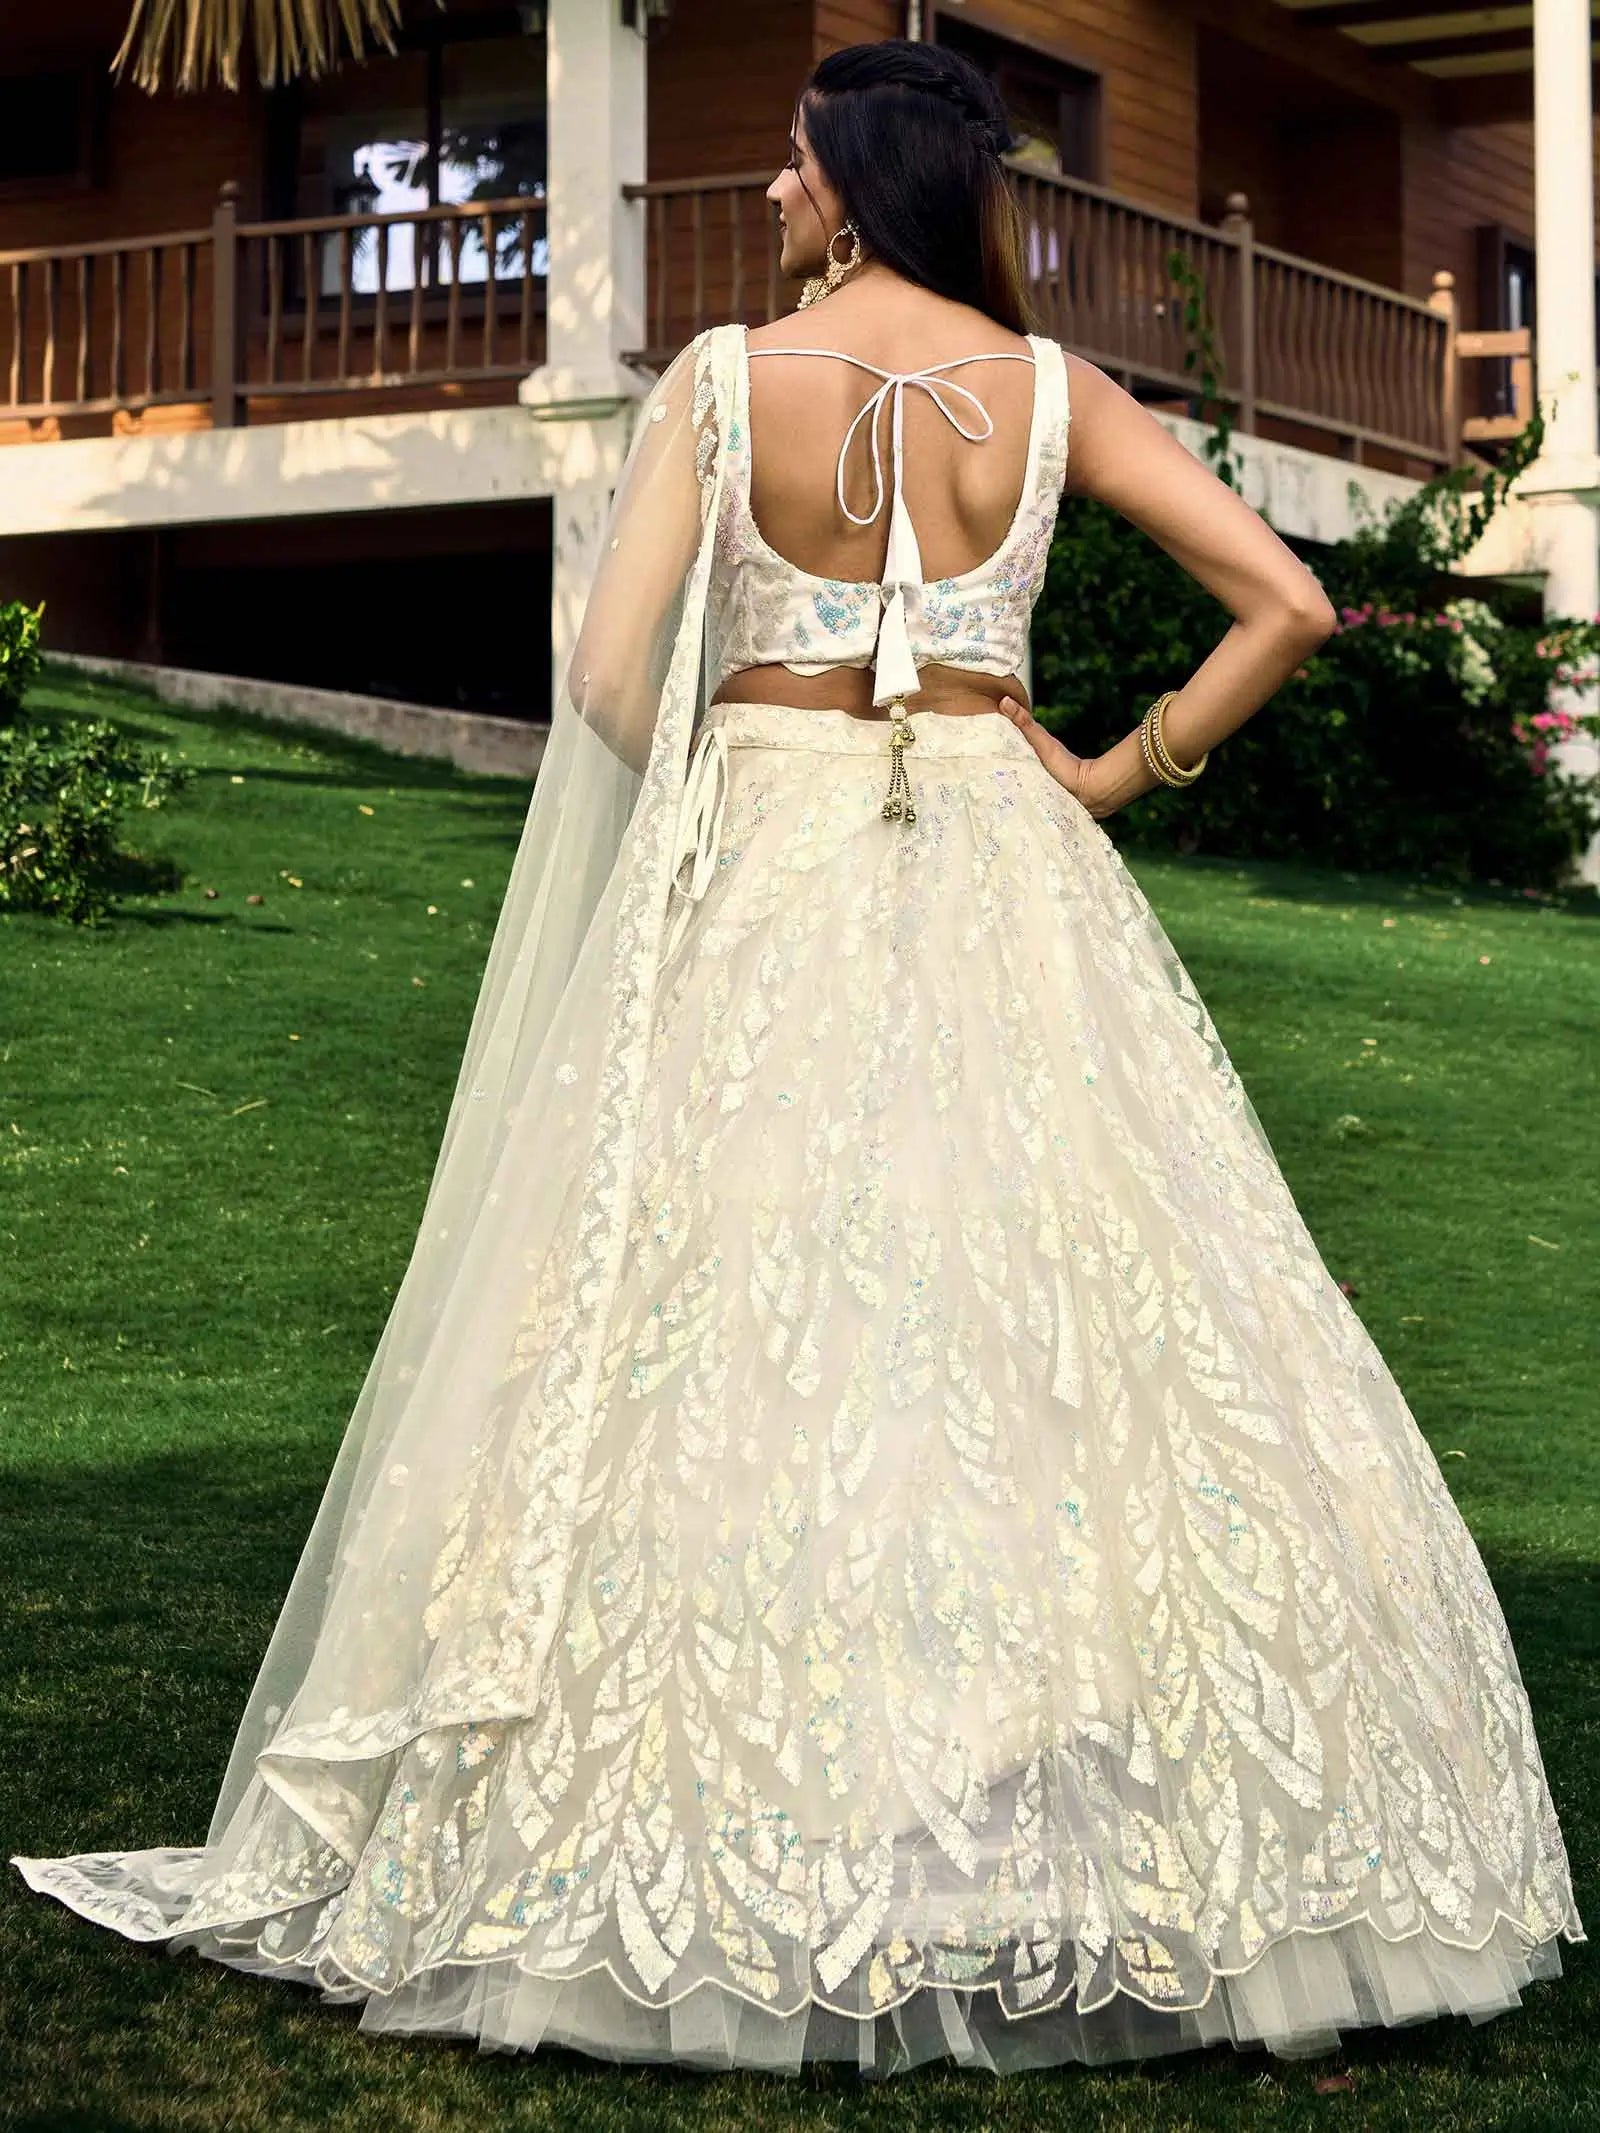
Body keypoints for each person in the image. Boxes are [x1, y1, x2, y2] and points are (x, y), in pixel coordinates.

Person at [12, 39, 1582, 2082]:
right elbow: (1286, 599)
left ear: (847, 180)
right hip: (1006, 854)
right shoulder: (1054, 392)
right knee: (1051, 1313)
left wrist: (736, 788)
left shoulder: (725, 383)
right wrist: (1115, 767)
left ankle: (726, 1821)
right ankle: (1071, 1815)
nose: (764, 193)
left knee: (725, 1311)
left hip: (768, 836)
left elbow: (605, 676)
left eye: (783, 164)